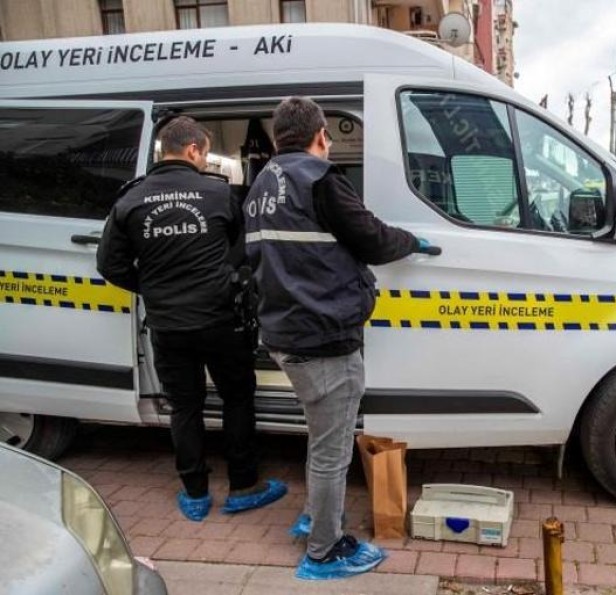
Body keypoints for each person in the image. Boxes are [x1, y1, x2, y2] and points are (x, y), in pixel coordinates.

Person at [244, 97, 430, 580]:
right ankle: (324, 551)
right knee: (332, 450)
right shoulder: (321, 179)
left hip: (286, 332)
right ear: (321, 135)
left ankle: (315, 516)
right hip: (323, 337)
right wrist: (412, 241)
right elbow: (373, 238)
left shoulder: (261, 185)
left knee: (322, 437)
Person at [97, 116, 286, 522]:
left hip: (168, 323)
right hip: (221, 319)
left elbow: (109, 264)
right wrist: (221, 280)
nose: (203, 161)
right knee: (237, 398)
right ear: (193, 150)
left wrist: (152, 288)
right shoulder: (218, 194)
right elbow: (242, 250)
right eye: (203, 154)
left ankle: (195, 494)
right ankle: (243, 487)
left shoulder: (131, 199)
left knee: (184, 406)